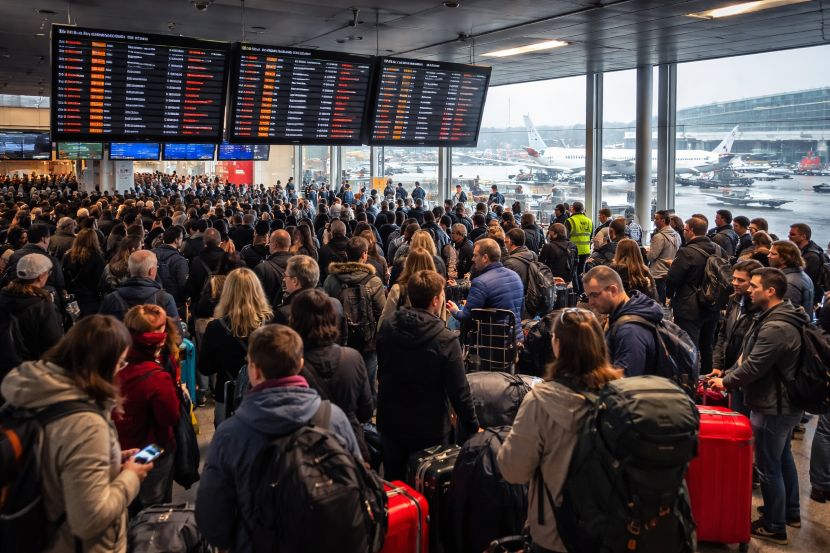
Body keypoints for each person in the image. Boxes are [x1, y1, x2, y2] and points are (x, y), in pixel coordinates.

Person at [196, 324, 362, 553]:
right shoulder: (333, 418)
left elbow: (213, 523)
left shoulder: (230, 435)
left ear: (254, 371)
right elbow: (358, 484)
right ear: (300, 364)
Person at [1, 315, 153, 553]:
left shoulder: (34, 393)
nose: (121, 370)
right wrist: (131, 477)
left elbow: (59, 461)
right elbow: (89, 520)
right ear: (104, 364)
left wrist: (108, 461)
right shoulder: (85, 426)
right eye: (121, 363)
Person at [497, 307, 619, 553]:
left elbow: (513, 470)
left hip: (554, 530)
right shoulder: (621, 396)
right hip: (610, 527)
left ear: (557, 345)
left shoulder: (540, 402)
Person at [709, 268, 809, 545]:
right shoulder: (779, 316)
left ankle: (775, 525)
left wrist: (725, 382)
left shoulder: (776, 326)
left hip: (774, 404)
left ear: (770, 291)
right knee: (782, 458)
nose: (748, 289)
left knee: (768, 466)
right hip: (782, 403)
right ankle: (789, 511)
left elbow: (754, 365)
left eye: (754, 286)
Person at [376, 269, 479, 480]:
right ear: (435, 300)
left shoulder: (387, 327)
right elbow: (460, 392)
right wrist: (473, 427)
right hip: (429, 428)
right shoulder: (446, 340)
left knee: (395, 486)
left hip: (390, 421)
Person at [290, 288, 373, 459]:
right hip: (350, 447)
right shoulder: (353, 358)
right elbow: (366, 411)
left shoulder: (292, 365)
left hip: (308, 451)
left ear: (295, 321)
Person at [115, 305, 181, 512]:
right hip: (152, 448)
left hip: (118, 448)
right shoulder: (155, 377)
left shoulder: (114, 362)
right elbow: (170, 417)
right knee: (153, 505)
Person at [199, 267, 274, 427]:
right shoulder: (272, 322)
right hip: (265, 394)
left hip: (227, 396)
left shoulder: (215, 328)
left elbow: (205, 368)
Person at [323, 236, 386, 402]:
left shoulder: (331, 279)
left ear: (346, 253)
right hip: (367, 340)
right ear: (364, 254)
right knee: (368, 382)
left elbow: (325, 309)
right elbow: (382, 312)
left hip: (339, 341)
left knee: (340, 383)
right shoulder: (373, 281)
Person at [707, 259, 764, 416]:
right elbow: (723, 334)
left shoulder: (760, 310)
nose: (735, 283)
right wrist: (718, 365)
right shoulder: (734, 300)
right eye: (733, 278)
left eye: (741, 280)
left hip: (747, 377)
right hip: (731, 373)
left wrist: (732, 374)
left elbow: (752, 350)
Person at [583, 265, 662, 377]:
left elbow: (625, 383)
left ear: (613, 290)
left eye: (594, 295)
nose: (590, 302)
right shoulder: (626, 314)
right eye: (588, 296)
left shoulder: (630, 330)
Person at [666, 217, 721, 376]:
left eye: (685, 229)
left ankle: (688, 380)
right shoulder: (718, 249)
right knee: (707, 344)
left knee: (688, 346)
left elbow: (673, 279)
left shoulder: (686, 252)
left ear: (690, 231)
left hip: (689, 307)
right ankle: (707, 378)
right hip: (712, 305)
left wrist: (669, 295)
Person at [446, 238, 524, 342]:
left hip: (491, 345)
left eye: (475, 255)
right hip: (515, 340)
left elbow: (467, 317)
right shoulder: (515, 276)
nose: (473, 259)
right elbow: (520, 310)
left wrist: (455, 311)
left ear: (485, 258)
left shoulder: (480, 282)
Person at [0, 253, 64, 380]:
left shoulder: (3, 296)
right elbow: (53, 345)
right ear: (41, 277)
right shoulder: (43, 307)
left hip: (4, 369)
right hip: (31, 374)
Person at [99, 250, 179, 321]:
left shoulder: (111, 299)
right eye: (156, 267)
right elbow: (176, 333)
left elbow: (100, 330)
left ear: (129, 270)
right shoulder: (166, 299)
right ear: (151, 271)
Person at [62, 228, 106, 318]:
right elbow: (100, 281)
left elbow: (64, 276)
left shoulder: (67, 255)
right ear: (94, 240)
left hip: (72, 298)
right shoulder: (97, 257)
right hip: (91, 299)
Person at [769, 240, 814, 314]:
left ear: (784, 258)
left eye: (773, 254)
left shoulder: (787, 283)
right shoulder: (802, 275)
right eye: (769, 252)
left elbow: (787, 314)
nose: (768, 256)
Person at [151, 226, 189, 313]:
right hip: (173, 304)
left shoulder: (151, 253)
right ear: (176, 240)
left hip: (152, 301)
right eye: (181, 239)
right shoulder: (179, 260)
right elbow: (183, 284)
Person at [253, 229, 293, 309]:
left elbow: (255, 299)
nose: (268, 245)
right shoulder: (299, 266)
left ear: (274, 245)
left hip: (267, 316)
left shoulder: (262, 268)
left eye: (270, 242)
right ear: (289, 244)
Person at [647, 210, 681, 305]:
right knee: (666, 301)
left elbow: (651, 257)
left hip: (657, 273)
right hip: (669, 271)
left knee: (658, 302)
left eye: (656, 219)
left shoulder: (658, 237)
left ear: (663, 220)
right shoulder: (677, 235)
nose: (654, 221)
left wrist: (647, 252)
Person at [186, 227, 224, 307]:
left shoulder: (196, 261)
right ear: (220, 242)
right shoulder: (228, 259)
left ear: (204, 242)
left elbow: (190, 287)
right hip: (223, 306)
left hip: (202, 306)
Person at [788, 223, 824, 301]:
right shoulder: (805, 250)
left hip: (808, 298)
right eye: (789, 233)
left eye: (792, 234)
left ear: (803, 236)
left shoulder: (811, 257)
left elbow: (806, 280)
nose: (789, 236)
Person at [564, 201, 592, 290]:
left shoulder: (570, 220)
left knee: (574, 273)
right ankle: (584, 292)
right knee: (583, 273)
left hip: (574, 251)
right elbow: (590, 236)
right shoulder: (589, 220)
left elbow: (565, 237)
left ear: (573, 209)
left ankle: (577, 294)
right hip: (586, 250)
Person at [503, 228, 537, 292]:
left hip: (519, 297)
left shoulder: (509, 263)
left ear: (510, 242)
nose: (505, 245)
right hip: (532, 296)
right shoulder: (533, 254)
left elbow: (507, 287)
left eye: (505, 242)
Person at [318, 219, 349, 283]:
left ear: (331, 233)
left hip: (329, 285)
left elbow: (321, 274)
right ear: (345, 232)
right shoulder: (352, 246)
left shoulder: (323, 250)